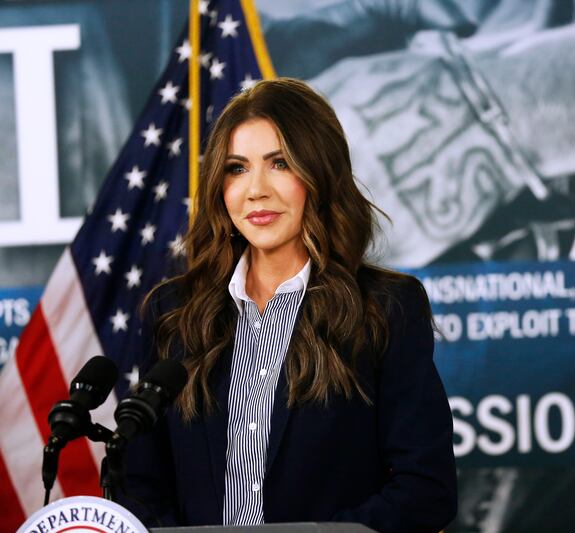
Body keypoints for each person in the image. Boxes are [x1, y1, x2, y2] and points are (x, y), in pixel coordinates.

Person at [120, 77, 457, 533]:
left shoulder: (385, 308)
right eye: (237, 168)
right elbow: (140, 485)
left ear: (318, 174)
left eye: (279, 163)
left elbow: (426, 490)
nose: (255, 190)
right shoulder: (173, 313)